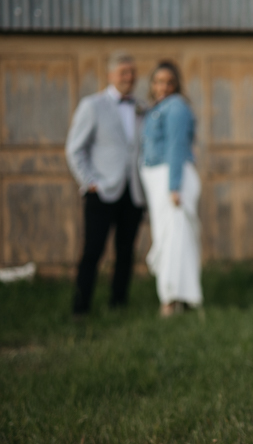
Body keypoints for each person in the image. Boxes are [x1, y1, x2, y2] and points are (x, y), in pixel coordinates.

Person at [66, 51, 145, 316]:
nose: (129, 78)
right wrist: (90, 182)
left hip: (133, 192)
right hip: (102, 191)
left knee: (126, 252)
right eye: (123, 72)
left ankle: (118, 302)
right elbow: (75, 149)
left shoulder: (140, 108)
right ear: (110, 75)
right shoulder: (92, 105)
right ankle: (81, 306)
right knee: (93, 250)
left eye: (132, 73)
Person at [140, 61, 203, 316]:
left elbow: (176, 148)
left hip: (172, 181)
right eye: (158, 82)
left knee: (174, 239)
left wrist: (174, 187)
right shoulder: (158, 108)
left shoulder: (176, 108)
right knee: (173, 238)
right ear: (152, 85)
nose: (162, 87)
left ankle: (171, 299)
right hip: (162, 180)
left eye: (168, 82)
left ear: (176, 85)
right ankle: (181, 298)